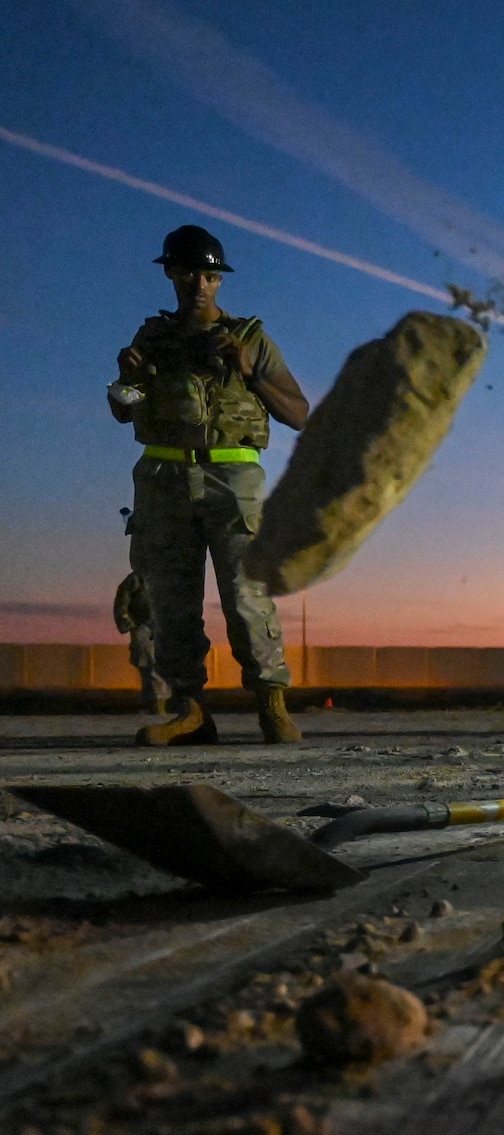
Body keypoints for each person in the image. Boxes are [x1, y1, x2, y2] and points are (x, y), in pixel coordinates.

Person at [111, 225, 307, 746]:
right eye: (190, 272)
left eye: (210, 274)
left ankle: (271, 704)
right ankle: (190, 711)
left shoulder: (250, 339)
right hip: (163, 477)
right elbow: (121, 408)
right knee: (172, 599)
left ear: (219, 280)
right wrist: (126, 379)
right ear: (171, 274)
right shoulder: (151, 338)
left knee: (247, 595)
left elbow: (299, 413)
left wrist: (249, 373)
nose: (200, 283)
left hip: (233, 477)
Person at [112, 569, 170, 715]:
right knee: (150, 667)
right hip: (142, 626)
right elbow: (122, 603)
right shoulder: (137, 579)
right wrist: (127, 621)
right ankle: (155, 705)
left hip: (164, 628)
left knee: (162, 668)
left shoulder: (170, 576)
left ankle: (158, 705)